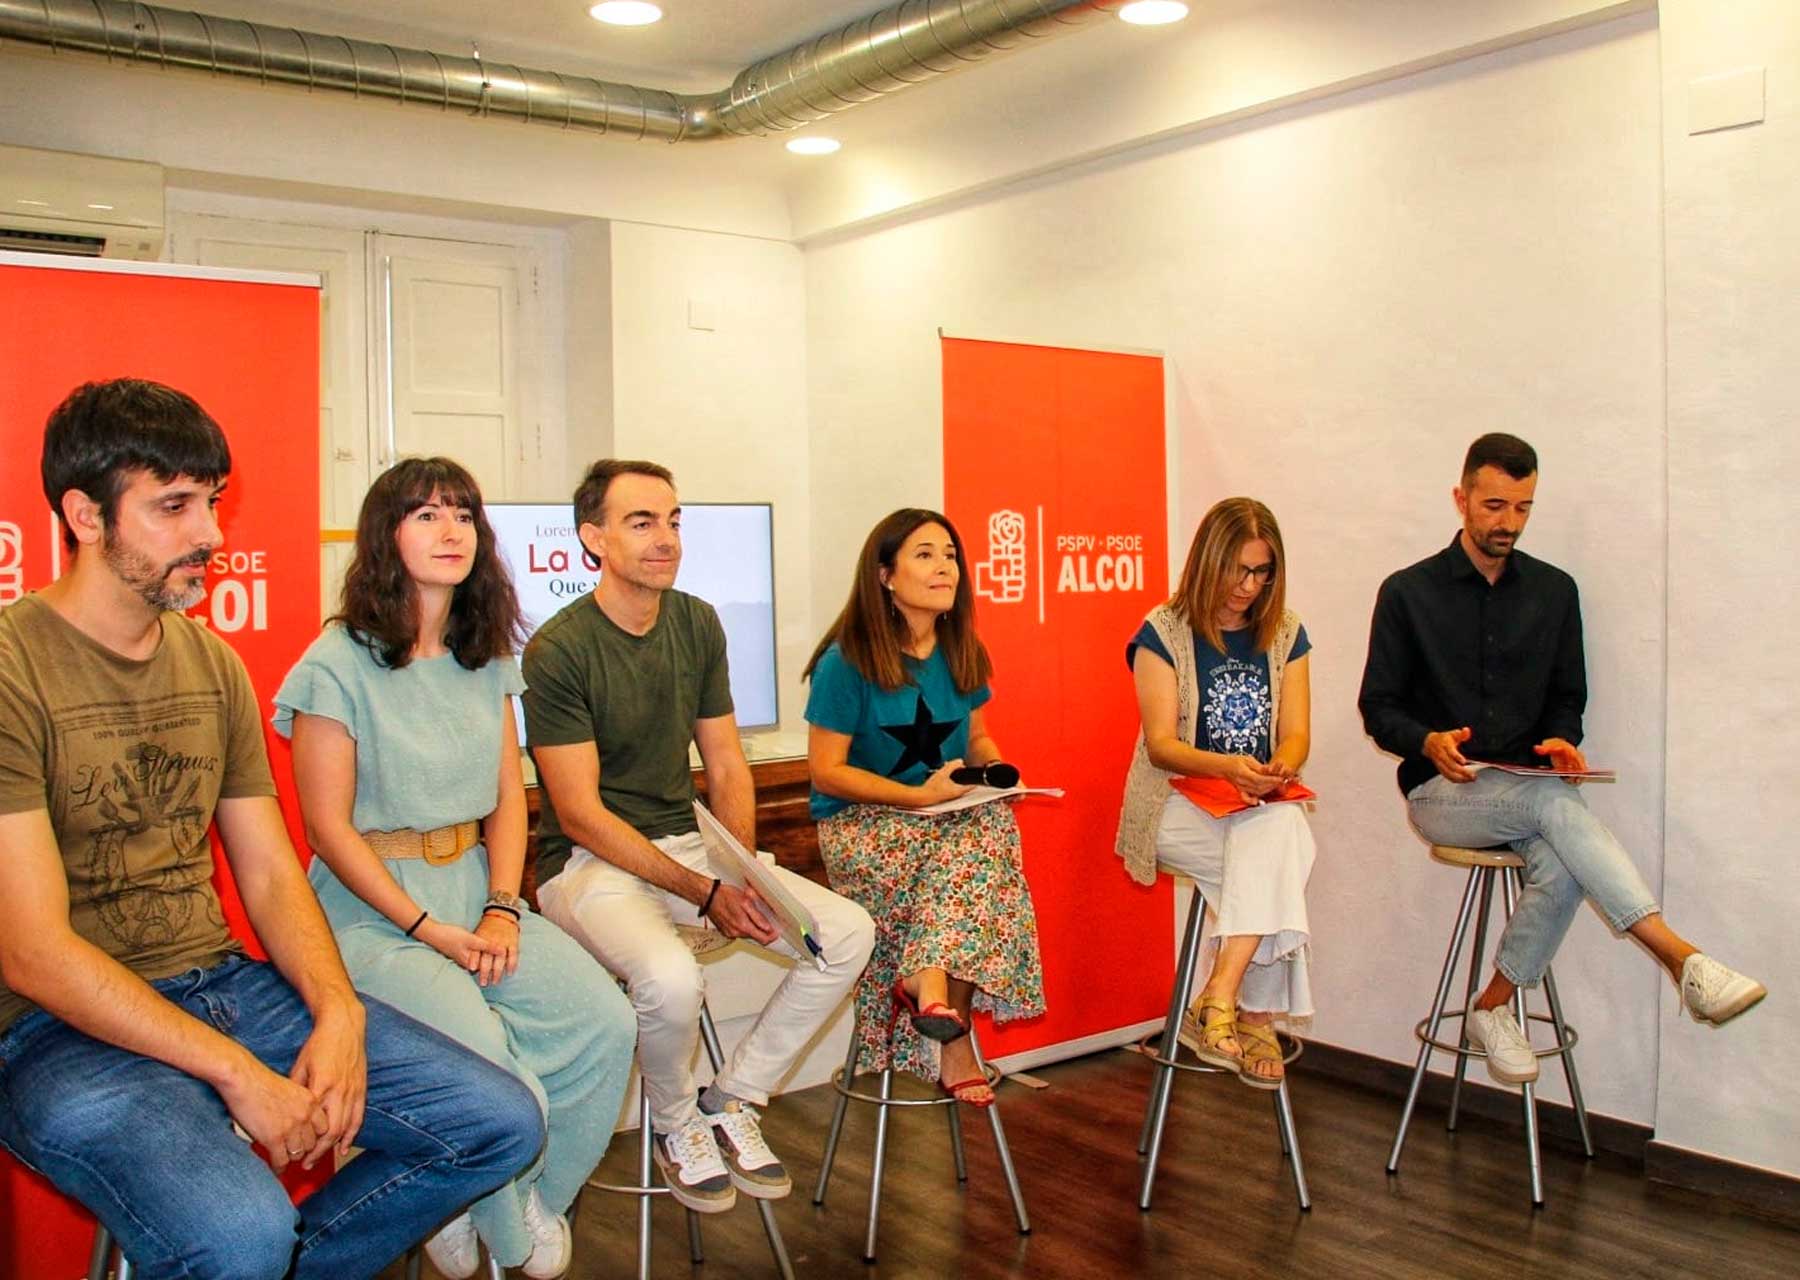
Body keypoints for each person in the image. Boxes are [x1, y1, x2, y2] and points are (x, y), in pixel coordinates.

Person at [0, 380, 542, 1280]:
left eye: (209, 502)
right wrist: (236, 1073)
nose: (210, 533)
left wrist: (335, 1010)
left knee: (500, 1124)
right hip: (49, 1033)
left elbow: (271, 872)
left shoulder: (210, 661)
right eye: (173, 506)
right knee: (243, 1234)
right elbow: (31, 953)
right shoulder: (14, 665)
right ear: (84, 515)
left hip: (218, 985)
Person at [274, 457, 636, 1279]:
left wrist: (503, 907)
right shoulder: (335, 662)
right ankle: (497, 1222)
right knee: (494, 1079)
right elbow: (328, 830)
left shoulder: (484, 657)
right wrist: (428, 929)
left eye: (463, 515)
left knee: (604, 1025)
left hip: (477, 890)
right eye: (426, 514)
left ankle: (515, 1197)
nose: (450, 531)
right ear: (384, 535)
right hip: (372, 917)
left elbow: (511, 799)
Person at [522, 459, 875, 1215]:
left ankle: (731, 1098)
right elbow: (580, 813)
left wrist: (741, 872)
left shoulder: (696, 621)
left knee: (845, 934)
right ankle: (675, 1123)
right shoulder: (556, 649)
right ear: (593, 539)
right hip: (588, 865)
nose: (666, 538)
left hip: (690, 848)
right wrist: (706, 892)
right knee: (673, 980)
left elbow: (724, 761)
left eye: (674, 520)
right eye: (642, 522)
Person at [1358, 432, 1766, 1085]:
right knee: (1556, 805)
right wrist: (1426, 740)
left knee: (1566, 864)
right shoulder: (1409, 592)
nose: (1508, 523)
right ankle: (1679, 956)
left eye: (1522, 508)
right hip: (1443, 792)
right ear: (1461, 499)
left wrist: (1561, 740)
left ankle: (1492, 1008)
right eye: (1494, 506)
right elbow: (1379, 708)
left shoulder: (1554, 591)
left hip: (1529, 789)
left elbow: (1566, 698)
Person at [802, 508, 1044, 1106]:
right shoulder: (846, 660)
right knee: (977, 851)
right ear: (885, 575)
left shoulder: (962, 647)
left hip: (944, 819)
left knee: (988, 825)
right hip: (865, 825)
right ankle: (952, 1040)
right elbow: (826, 771)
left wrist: (995, 772)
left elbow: (977, 737)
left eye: (951, 555)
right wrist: (915, 797)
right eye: (925, 554)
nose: (944, 567)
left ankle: (929, 986)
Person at [1115, 497, 1315, 1090]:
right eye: (1237, 569)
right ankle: (1253, 1015)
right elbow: (1160, 745)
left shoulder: (1286, 632)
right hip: (1173, 804)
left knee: (1279, 837)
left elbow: (1298, 733)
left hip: (1252, 807)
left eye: (1262, 572)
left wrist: (1281, 766)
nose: (1248, 586)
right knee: (1284, 863)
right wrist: (1227, 767)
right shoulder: (1164, 631)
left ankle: (1216, 1001)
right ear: (1208, 562)